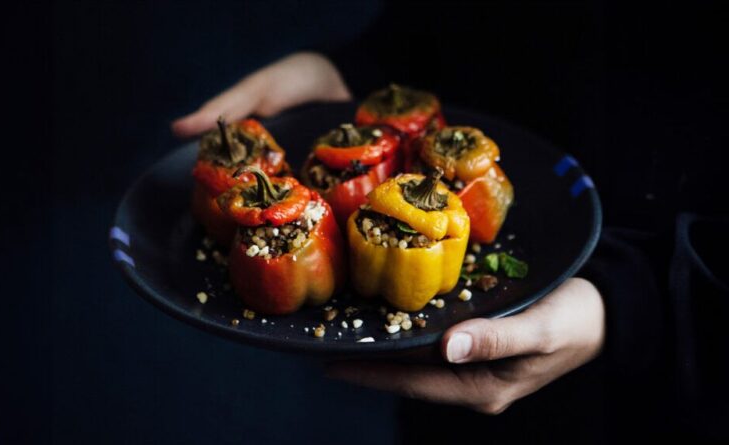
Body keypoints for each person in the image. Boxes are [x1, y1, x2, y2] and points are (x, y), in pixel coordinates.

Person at [172, 2, 728, 441]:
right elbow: (448, 24)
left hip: (680, 378)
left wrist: (643, 297)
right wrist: (361, 70)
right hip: (457, 384)